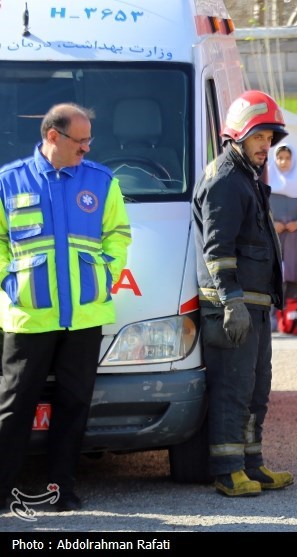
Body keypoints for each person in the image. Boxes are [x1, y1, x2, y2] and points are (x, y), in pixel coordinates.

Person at [0, 103, 132, 511]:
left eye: (90, 140)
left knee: (73, 407)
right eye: (81, 140)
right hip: (29, 316)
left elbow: (118, 235)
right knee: (13, 408)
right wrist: (9, 281)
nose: (87, 148)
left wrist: (105, 274)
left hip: (85, 316)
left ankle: (61, 490)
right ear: (53, 136)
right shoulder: (8, 181)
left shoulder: (101, 181)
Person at [192, 90, 294, 497]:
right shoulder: (224, 180)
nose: (266, 146)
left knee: (256, 386)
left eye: (270, 138)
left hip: (252, 303)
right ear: (237, 135)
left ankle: (252, 464)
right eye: (258, 138)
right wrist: (231, 301)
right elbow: (218, 250)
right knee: (233, 388)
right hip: (231, 306)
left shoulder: (246, 176)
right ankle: (229, 470)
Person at [267, 144, 297, 301]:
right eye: (280, 158)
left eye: (287, 158)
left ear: (293, 160)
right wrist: (272, 224)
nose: (283, 162)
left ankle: (291, 315)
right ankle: (273, 316)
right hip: (273, 234)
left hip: (294, 235)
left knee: (293, 272)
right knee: (272, 273)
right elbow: (260, 209)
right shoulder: (266, 183)